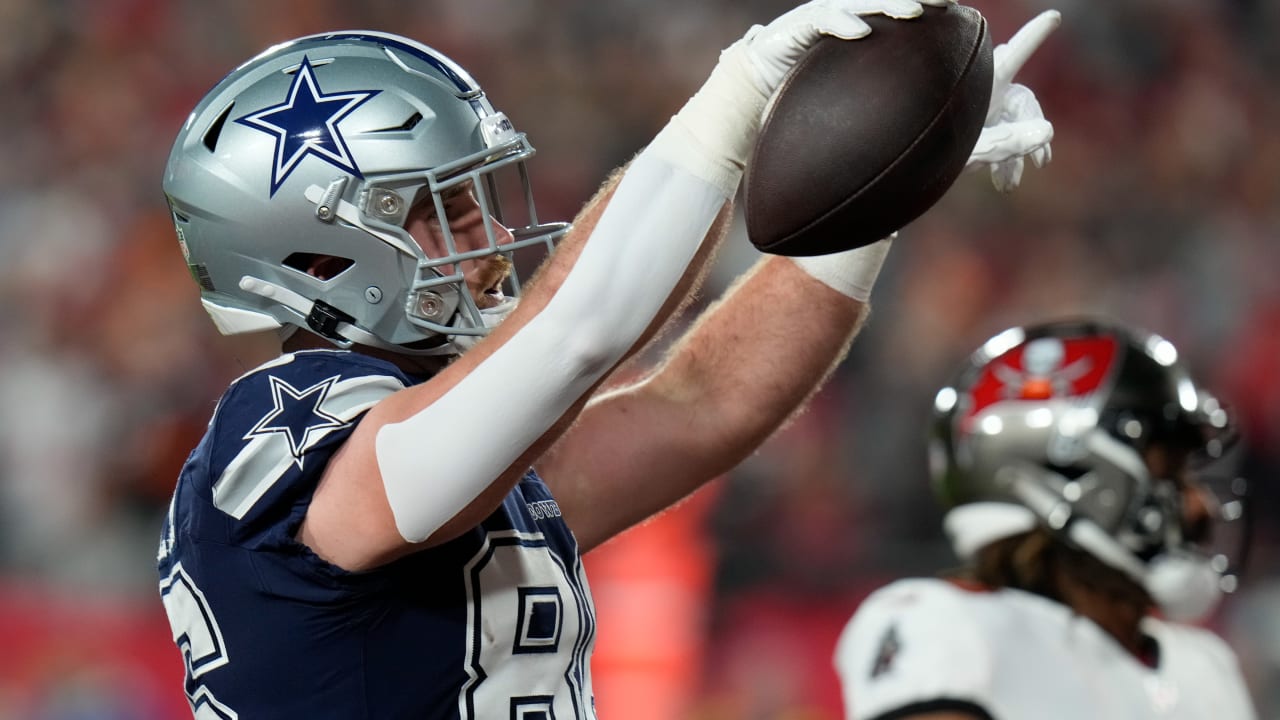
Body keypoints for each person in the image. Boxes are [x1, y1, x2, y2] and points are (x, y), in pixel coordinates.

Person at [154, 2, 1056, 717]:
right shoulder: (275, 437)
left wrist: (881, 192)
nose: (498, 237)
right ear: (317, 263)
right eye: (450, 212)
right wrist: (734, 98)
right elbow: (574, 333)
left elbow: (707, 400)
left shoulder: (444, 456)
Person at [834, 317, 1257, 719]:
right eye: (1169, 472)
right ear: (1067, 471)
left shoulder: (1207, 666)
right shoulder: (948, 626)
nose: (1200, 505)